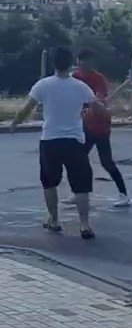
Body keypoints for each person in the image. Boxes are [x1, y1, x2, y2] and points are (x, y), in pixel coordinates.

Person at [10, 45, 104, 239]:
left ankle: (54, 220)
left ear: (54, 63)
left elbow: (27, 108)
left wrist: (15, 123)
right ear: (71, 64)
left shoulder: (43, 85)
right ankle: (85, 225)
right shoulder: (80, 86)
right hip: (75, 141)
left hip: (50, 140)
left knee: (49, 182)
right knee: (81, 184)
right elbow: (98, 107)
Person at [70, 50, 130, 208]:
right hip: (83, 126)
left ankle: (123, 194)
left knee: (106, 162)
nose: (90, 64)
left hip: (100, 125)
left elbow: (100, 97)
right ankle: (80, 193)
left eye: (91, 62)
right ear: (79, 61)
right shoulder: (75, 78)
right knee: (79, 160)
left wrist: (92, 107)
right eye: (86, 61)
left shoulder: (98, 78)